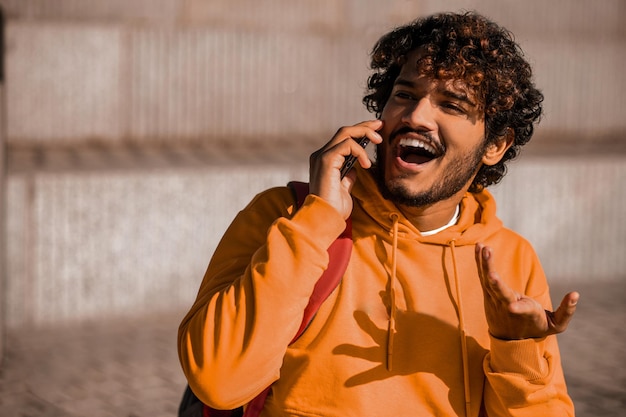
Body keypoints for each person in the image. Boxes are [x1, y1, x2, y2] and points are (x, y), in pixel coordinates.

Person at [178, 11, 579, 417]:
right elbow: (218, 381)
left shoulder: (511, 260)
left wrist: (517, 350)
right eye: (404, 94)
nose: (417, 116)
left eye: (452, 105)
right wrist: (317, 221)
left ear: (496, 145)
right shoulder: (284, 215)